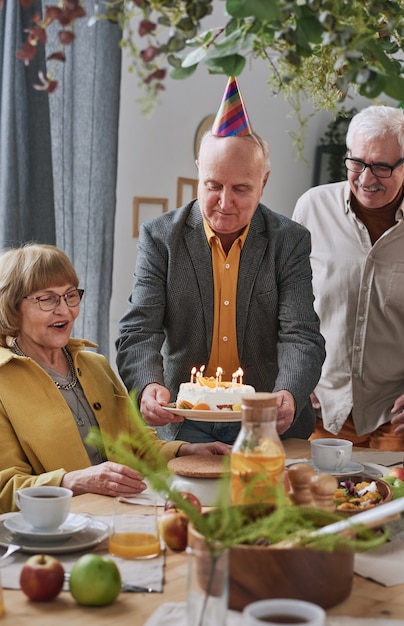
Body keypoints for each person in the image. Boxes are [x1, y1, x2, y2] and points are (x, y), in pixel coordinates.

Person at [116, 77, 325, 444]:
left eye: (241, 189)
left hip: (264, 421)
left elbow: (301, 334)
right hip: (184, 421)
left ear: (264, 181)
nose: (225, 202)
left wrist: (288, 393)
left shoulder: (288, 241)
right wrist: (148, 385)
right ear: (199, 171)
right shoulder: (161, 238)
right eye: (213, 185)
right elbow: (140, 329)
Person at [0, 244, 229, 513]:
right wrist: (74, 481)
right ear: (12, 306)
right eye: (48, 299)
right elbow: (6, 488)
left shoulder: (95, 365)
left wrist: (185, 452)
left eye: (70, 295)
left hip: (120, 515)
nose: (65, 310)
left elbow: (139, 447)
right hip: (52, 532)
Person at [292, 104, 404, 451]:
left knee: (393, 503)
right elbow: (285, 304)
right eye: (357, 163)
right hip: (321, 409)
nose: (365, 178)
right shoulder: (311, 209)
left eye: (380, 166)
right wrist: (296, 376)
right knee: (318, 502)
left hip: (398, 416)